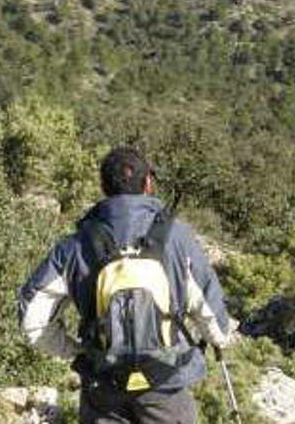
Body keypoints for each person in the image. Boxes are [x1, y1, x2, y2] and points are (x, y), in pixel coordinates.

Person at [17, 147, 232, 423]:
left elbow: (31, 318)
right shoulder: (178, 237)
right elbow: (211, 311)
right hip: (165, 382)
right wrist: (218, 339)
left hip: (103, 385)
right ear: (148, 184)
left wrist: (73, 349)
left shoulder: (76, 244)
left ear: (103, 186)